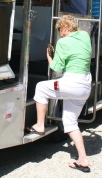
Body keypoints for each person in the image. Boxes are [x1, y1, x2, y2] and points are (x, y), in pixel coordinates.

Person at [27, 15, 92, 172]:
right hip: (85, 87)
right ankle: (83, 159)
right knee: (70, 122)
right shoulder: (85, 36)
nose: (59, 34)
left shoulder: (63, 42)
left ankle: (40, 125)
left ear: (64, 28)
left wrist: (50, 56)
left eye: (59, 30)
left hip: (71, 83)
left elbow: (56, 69)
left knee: (41, 88)